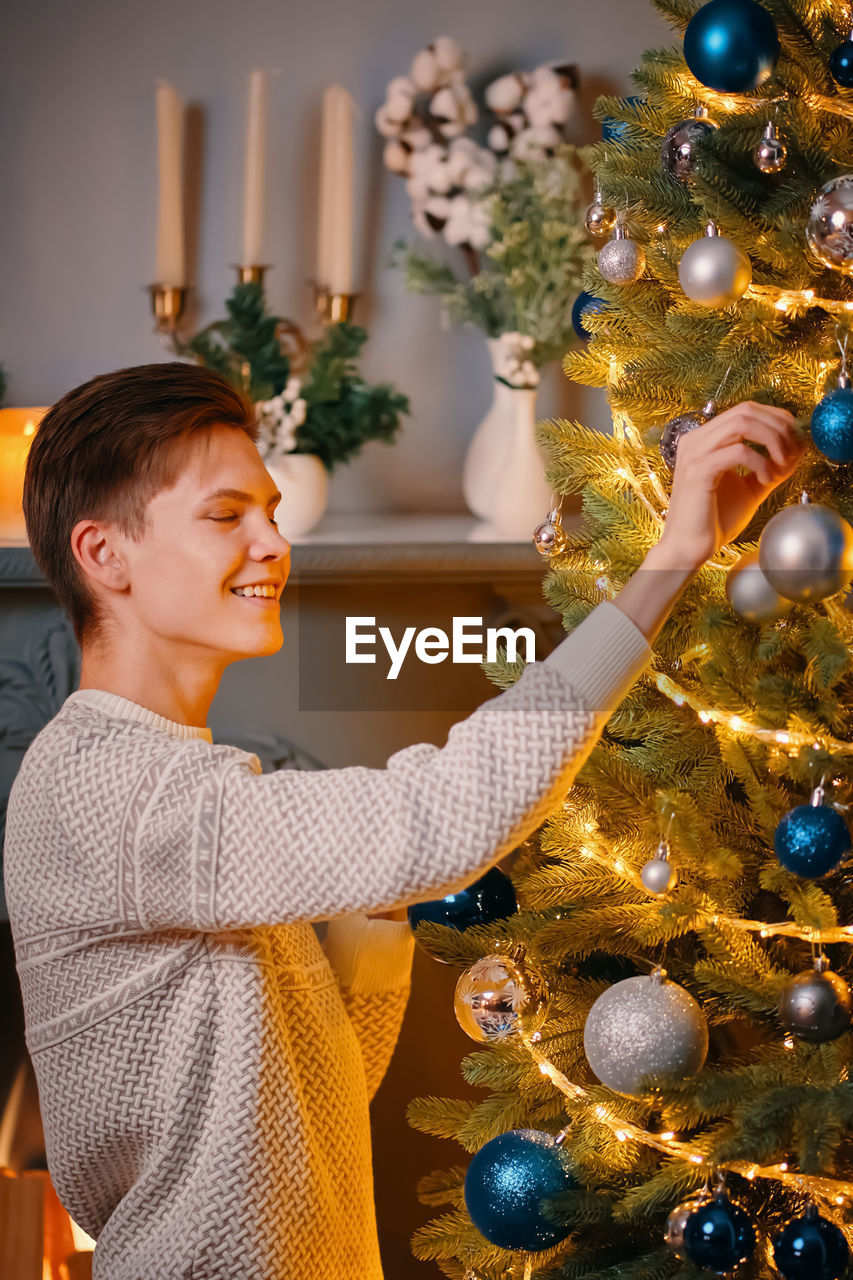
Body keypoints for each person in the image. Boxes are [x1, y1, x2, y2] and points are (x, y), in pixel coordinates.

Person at [3, 362, 805, 1279]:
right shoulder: (113, 791)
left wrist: (379, 903)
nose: (272, 542)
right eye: (227, 516)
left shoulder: (168, 778)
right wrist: (670, 559)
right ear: (103, 555)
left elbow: (319, 1093)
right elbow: (446, 811)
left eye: (270, 510)